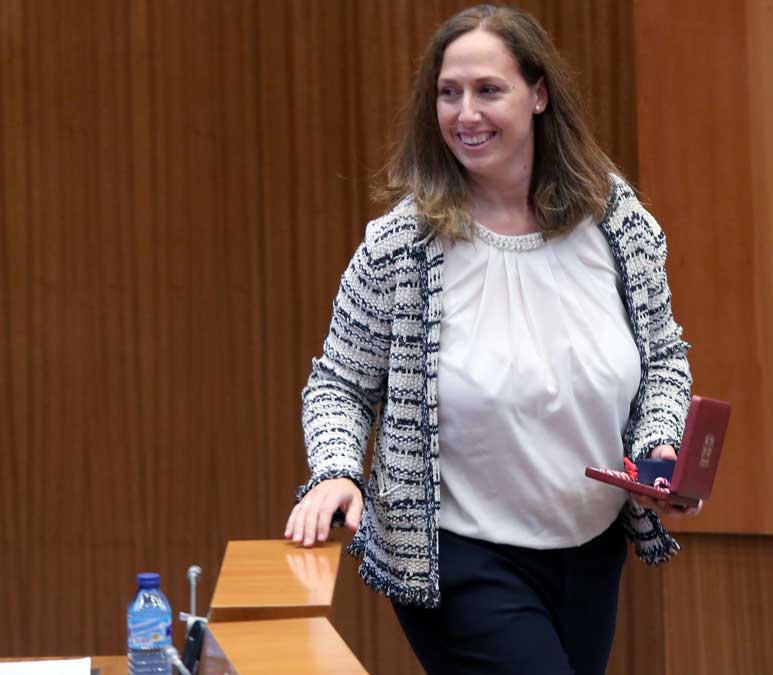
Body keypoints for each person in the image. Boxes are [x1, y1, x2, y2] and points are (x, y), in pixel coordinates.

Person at [283, 5, 697, 673]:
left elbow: (663, 359)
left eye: (488, 90)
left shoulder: (615, 219)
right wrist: (335, 469)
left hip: (591, 551)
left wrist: (658, 445)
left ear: (539, 95)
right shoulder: (401, 246)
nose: (465, 113)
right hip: (461, 556)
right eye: (449, 93)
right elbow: (339, 384)